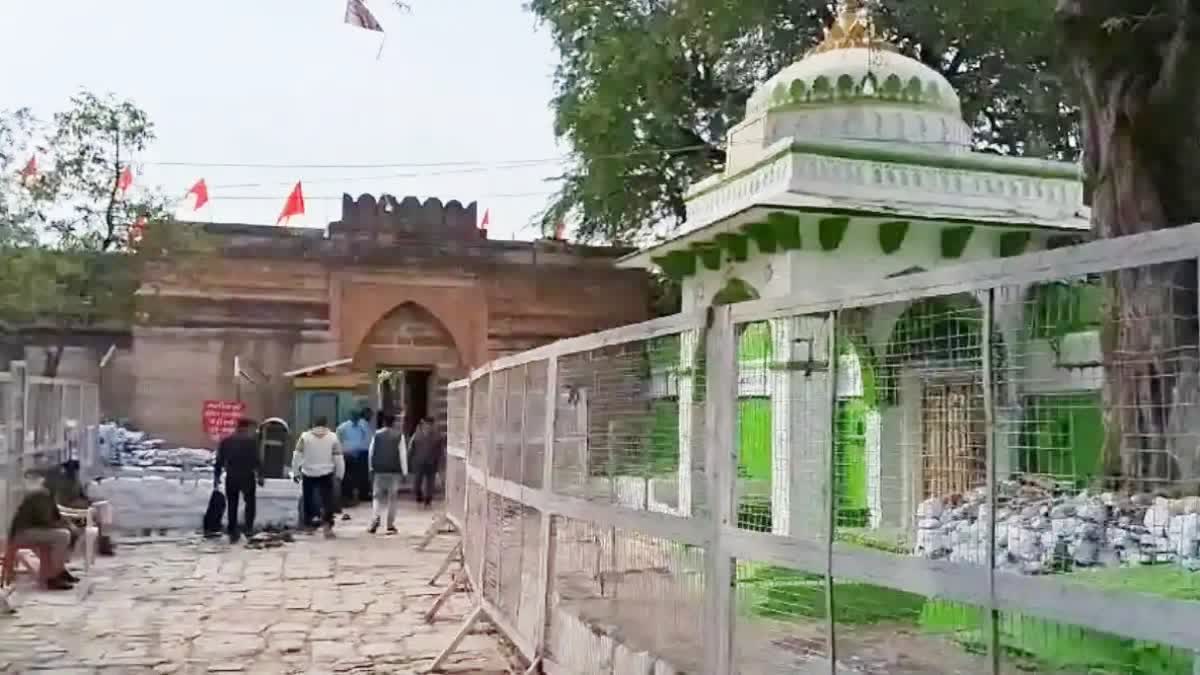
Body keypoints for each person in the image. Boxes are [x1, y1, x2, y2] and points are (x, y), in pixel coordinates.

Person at [9, 468, 77, 590]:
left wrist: (69, 524)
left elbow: (56, 516)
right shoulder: (40, 494)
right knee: (62, 536)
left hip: (34, 530)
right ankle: (53, 577)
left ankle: (59, 570)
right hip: (23, 533)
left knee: (67, 533)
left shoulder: (49, 494)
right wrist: (63, 527)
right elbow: (44, 520)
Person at [292, 416, 345, 539]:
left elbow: (297, 455)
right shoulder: (333, 437)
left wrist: (295, 472)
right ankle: (327, 527)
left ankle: (309, 525)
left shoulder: (304, 437)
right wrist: (340, 474)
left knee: (308, 499)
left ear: (313, 424)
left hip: (308, 472)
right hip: (326, 473)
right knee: (328, 501)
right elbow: (338, 457)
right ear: (326, 424)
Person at [213, 418, 264, 543]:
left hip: (232, 476)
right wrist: (260, 476)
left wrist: (217, 477)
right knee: (250, 503)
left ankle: (232, 529)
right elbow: (257, 460)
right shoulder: (251, 442)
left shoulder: (226, 441)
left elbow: (219, 461)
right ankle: (248, 528)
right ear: (246, 428)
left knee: (232, 503)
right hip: (247, 476)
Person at [367, 412, 408, 534]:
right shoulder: (399, 436)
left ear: (384, 422)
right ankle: (390, 525)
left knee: (377, 496)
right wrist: (405, 472)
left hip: (379, 470)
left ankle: (375, 518)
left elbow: (371, 452)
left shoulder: (376, 435)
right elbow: (402, 455)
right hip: (394, 471)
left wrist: (370, 468)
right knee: (392, 498)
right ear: (394, 422)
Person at [335, 409, 372, 510]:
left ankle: (362, 494)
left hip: (359, 454)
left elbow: (366, 440)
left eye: (357, 417)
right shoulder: (343, 428)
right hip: (347, 455)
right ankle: (347, 497)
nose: (356, 419)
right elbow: (338, 440)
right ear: (351, 417)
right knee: (347, 478)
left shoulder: (361, 427)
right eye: (354, 417)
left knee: (360, 476)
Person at [408, 416, 442, 509]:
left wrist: (439, 462)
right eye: (426, 424)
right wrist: (409, 460)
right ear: (423, 424)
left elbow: (440, 451)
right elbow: (411, 448)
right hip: (418, 462)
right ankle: (418, 495)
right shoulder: (416, 435)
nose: (428, 426)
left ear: (432, 425)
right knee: (417, 481)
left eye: (430, 424)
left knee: (430, 482)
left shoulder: (437, 436)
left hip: (431, 462)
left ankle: (428, 499)